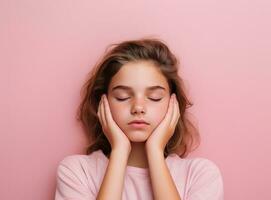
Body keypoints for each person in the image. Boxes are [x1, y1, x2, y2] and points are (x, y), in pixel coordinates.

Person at [54, 37, 224, 200]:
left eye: (155, 97)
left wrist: (155, 152)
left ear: (174, 104)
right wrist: (119, 151)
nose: (138, 108)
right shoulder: (77, 171)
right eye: (122, 97)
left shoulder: (200, 175)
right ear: (102, 102)